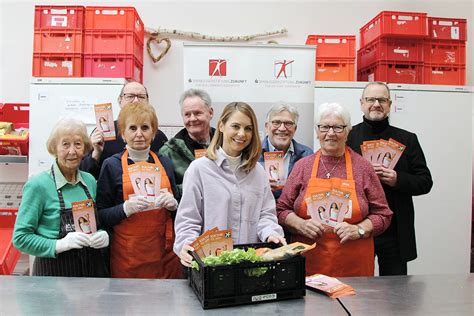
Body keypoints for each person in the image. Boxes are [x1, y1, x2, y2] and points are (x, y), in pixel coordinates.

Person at [277, 102, 392, 277]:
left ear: (347, 132)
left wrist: (359, 230)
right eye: (325, 127)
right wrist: (300, 225)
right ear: (317, 131)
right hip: (308, 265)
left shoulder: (363, 168)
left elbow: (383, 215)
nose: (331, 133)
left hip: (354, 267)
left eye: (338, 127)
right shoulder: (303, 166)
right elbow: (281, 209)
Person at [174, 102, 286, 267]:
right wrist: (186, 244)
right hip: (211, 266)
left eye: (248, 128)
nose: (242, 134)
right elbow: (188, 220)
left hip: (249, 265)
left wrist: (271, 233)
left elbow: (266, 215)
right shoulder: (199, 170)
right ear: (221, 126)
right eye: (235, 126)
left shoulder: (258, 173)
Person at [347, 82, 433, 276]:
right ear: (361, 103)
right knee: (357, 288)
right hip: (358, 227)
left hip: (395, 231)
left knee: (395, 292)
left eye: (382, 100)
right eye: (371, 99)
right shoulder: (347, 138)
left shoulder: (407, 139)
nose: (376, 104)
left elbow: (425, 182)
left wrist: (397, 179)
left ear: (390, 104)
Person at [96, 101, 182, 279]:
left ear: (153, 132)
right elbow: (101, 215)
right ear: (123, 134)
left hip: (164, 253)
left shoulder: (164, 162)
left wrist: (174, 206)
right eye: (132, 128)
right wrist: (124, 209)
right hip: (128, 255)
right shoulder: (111, 165)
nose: (139, 134)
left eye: (145, 127)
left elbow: (181, 214)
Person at [13, 118, 109, 277]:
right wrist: (59, 245)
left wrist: (102, 234)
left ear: (85, 148)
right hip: (53, 277)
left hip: (91, 274)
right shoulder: (38, 185)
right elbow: (21, 238)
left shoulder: (90, 181)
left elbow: (96, 221)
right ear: (54, 148)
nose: (72, 151)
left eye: (78, 144)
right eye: (65, 144)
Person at [80, 81, 168, 179]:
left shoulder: (158, 136)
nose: (135, 101)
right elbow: (85, 176)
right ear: (120, 100)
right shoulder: (101, 134)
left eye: (141, 97)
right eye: (130, 96)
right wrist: (96, 153)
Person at [159, 88, 215, 196]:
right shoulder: (168, 152)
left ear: (210, 113)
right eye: (187, 115)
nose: (192, 119)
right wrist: (197, 186)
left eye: (198, 113)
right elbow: (167, 190)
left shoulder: (225, 145)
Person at [258, 103, 313, 199]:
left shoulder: (307, 155)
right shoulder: (253, 153)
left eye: (288, 123)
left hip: (291, 212)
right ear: (267, 126)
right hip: (260, 212)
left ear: (295, 129)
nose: (282, 128)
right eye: (276, 122)